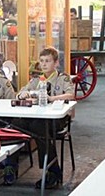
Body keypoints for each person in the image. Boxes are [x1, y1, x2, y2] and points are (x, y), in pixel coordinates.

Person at [14, 47, 75, 189]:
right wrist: (22, 95)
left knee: (39, 128)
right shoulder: (37, 80)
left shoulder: (62, 78)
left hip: (57, 118)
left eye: (47, 61)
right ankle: (10, 165)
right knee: (15, 124)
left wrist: (52, 98)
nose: (44, 64)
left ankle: (52, 171)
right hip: (37, 116)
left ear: (56, 63)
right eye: (41, 61)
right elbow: (21, 92)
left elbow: (70, 95)